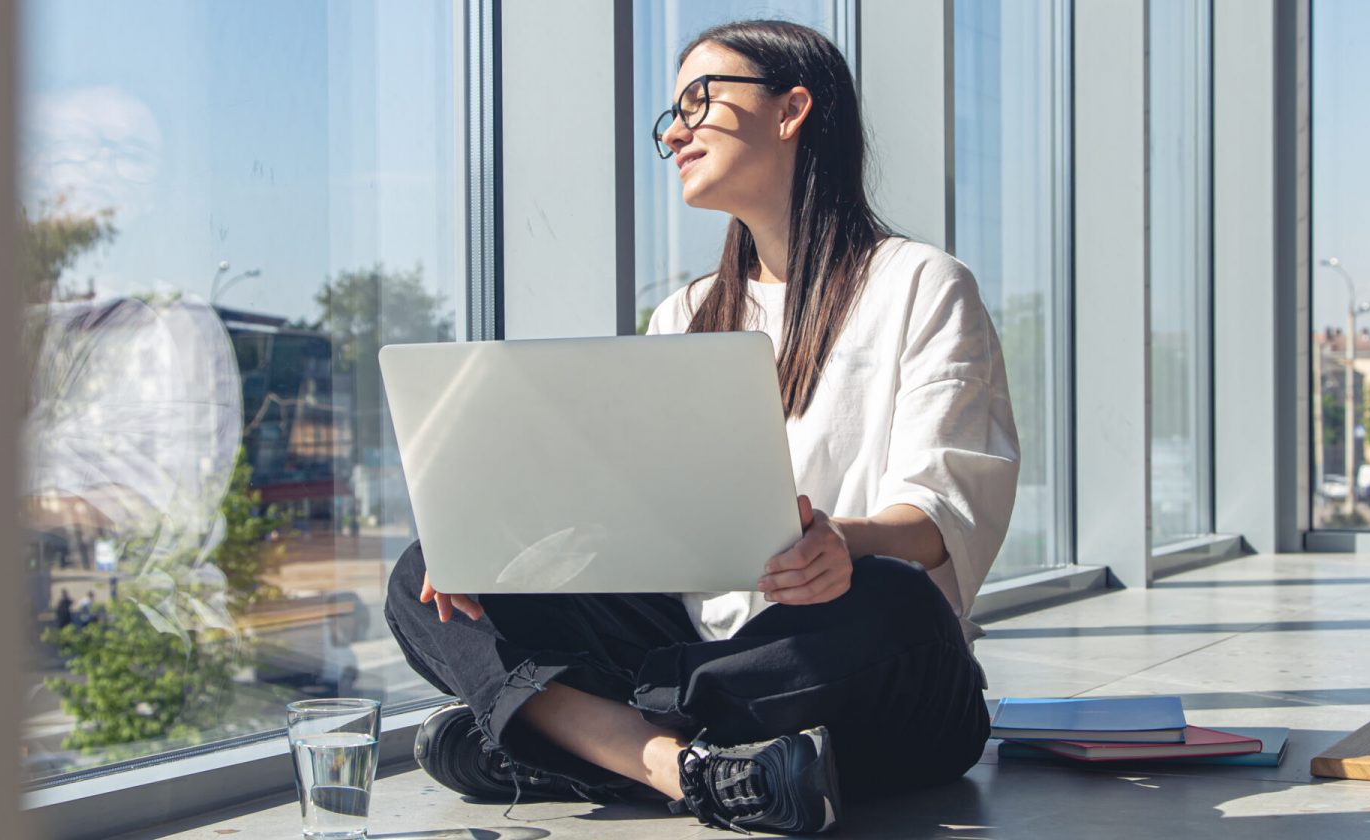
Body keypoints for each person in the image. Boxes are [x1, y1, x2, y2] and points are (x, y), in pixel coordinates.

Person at [383, 19, 1018, 835]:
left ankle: (568, 734)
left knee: (897, 606)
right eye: (670, 117)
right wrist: (495, 552)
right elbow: (630, 519)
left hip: (845, 664)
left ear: (792, 109)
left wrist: (841, 544)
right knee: (424, 578)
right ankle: (687, 769)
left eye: (699, 101)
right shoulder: (684, 314)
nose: (676, 131)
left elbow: (943, 514)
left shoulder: (922, 285)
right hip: (697, 638)